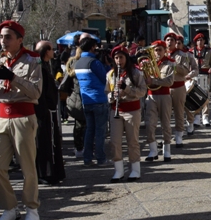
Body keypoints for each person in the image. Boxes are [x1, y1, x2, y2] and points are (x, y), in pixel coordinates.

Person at [0, 21, 43, 220]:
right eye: (2, 37)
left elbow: (35, 92)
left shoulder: (32, 60)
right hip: (2, 117)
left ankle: (32, 210)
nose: (3, 41)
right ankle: (9, 208)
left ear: (20, 40)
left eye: (8, 37)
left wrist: (12, 76)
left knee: (27, 166)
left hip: (23, 116)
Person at [106, 45, 147, 181]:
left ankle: (135, 169)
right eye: (116, 58)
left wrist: (126, 89)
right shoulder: (111, 74)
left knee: (132, 141)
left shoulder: (136, 72)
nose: (119, 61)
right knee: (114, 141)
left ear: (126, 57)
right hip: (116, 110)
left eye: (121, 57)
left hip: (132, 110)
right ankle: (119, 170)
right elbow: (106, 92)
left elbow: (142, 91)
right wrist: (112, 95)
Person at [34, 41, 66, 185]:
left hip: (49, 110)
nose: (54, 52)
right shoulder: (38, 67)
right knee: (43, 142)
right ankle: (45, 174)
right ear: (46, 51)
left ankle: (54, 173)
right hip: (42, 111)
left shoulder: (49, 65)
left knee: (51, 142)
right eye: (51, 49)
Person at [74, 38, 109, 166]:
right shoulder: (94, 62)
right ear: (92, 47)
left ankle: (87, 158)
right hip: (99, 99)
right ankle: (101, 158)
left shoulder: (77, 63)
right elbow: (106, 78)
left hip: (86, 100)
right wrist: (107, 65)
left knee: (89, 131)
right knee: (100, 131)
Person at [144, 40, 176, 161]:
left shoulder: (170, 63)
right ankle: (153, 150)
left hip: (164, 95)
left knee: (166, 123)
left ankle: (167, 150)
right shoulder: (147, 63)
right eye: (155, 50)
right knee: (149, 123)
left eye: (159, 50)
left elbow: (169, 82)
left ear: (164, 51)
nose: (157, 53)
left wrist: (154, 81)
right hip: (151, 95)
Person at [165, 32, 193, 145]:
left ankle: (179, 135)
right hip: (164, 88)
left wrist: (174, 66)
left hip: (178, 87)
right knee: (165, 115)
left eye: (172, 40)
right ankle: (166, 136)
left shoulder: (182, 55)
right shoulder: (161, 54)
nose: (170, 42)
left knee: (179, 112)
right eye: (168, 40)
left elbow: (186, 70)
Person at [190, 32, 211, 126]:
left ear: (204, 41)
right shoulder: (191, 52)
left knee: (205, 96)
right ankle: (196, 117)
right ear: (195, 42)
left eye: (201, 40)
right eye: (198, 40)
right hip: (194, 76)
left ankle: (205, 117)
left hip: (205, 76)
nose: (200, 42)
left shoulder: (209, 52)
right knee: (195, 97)